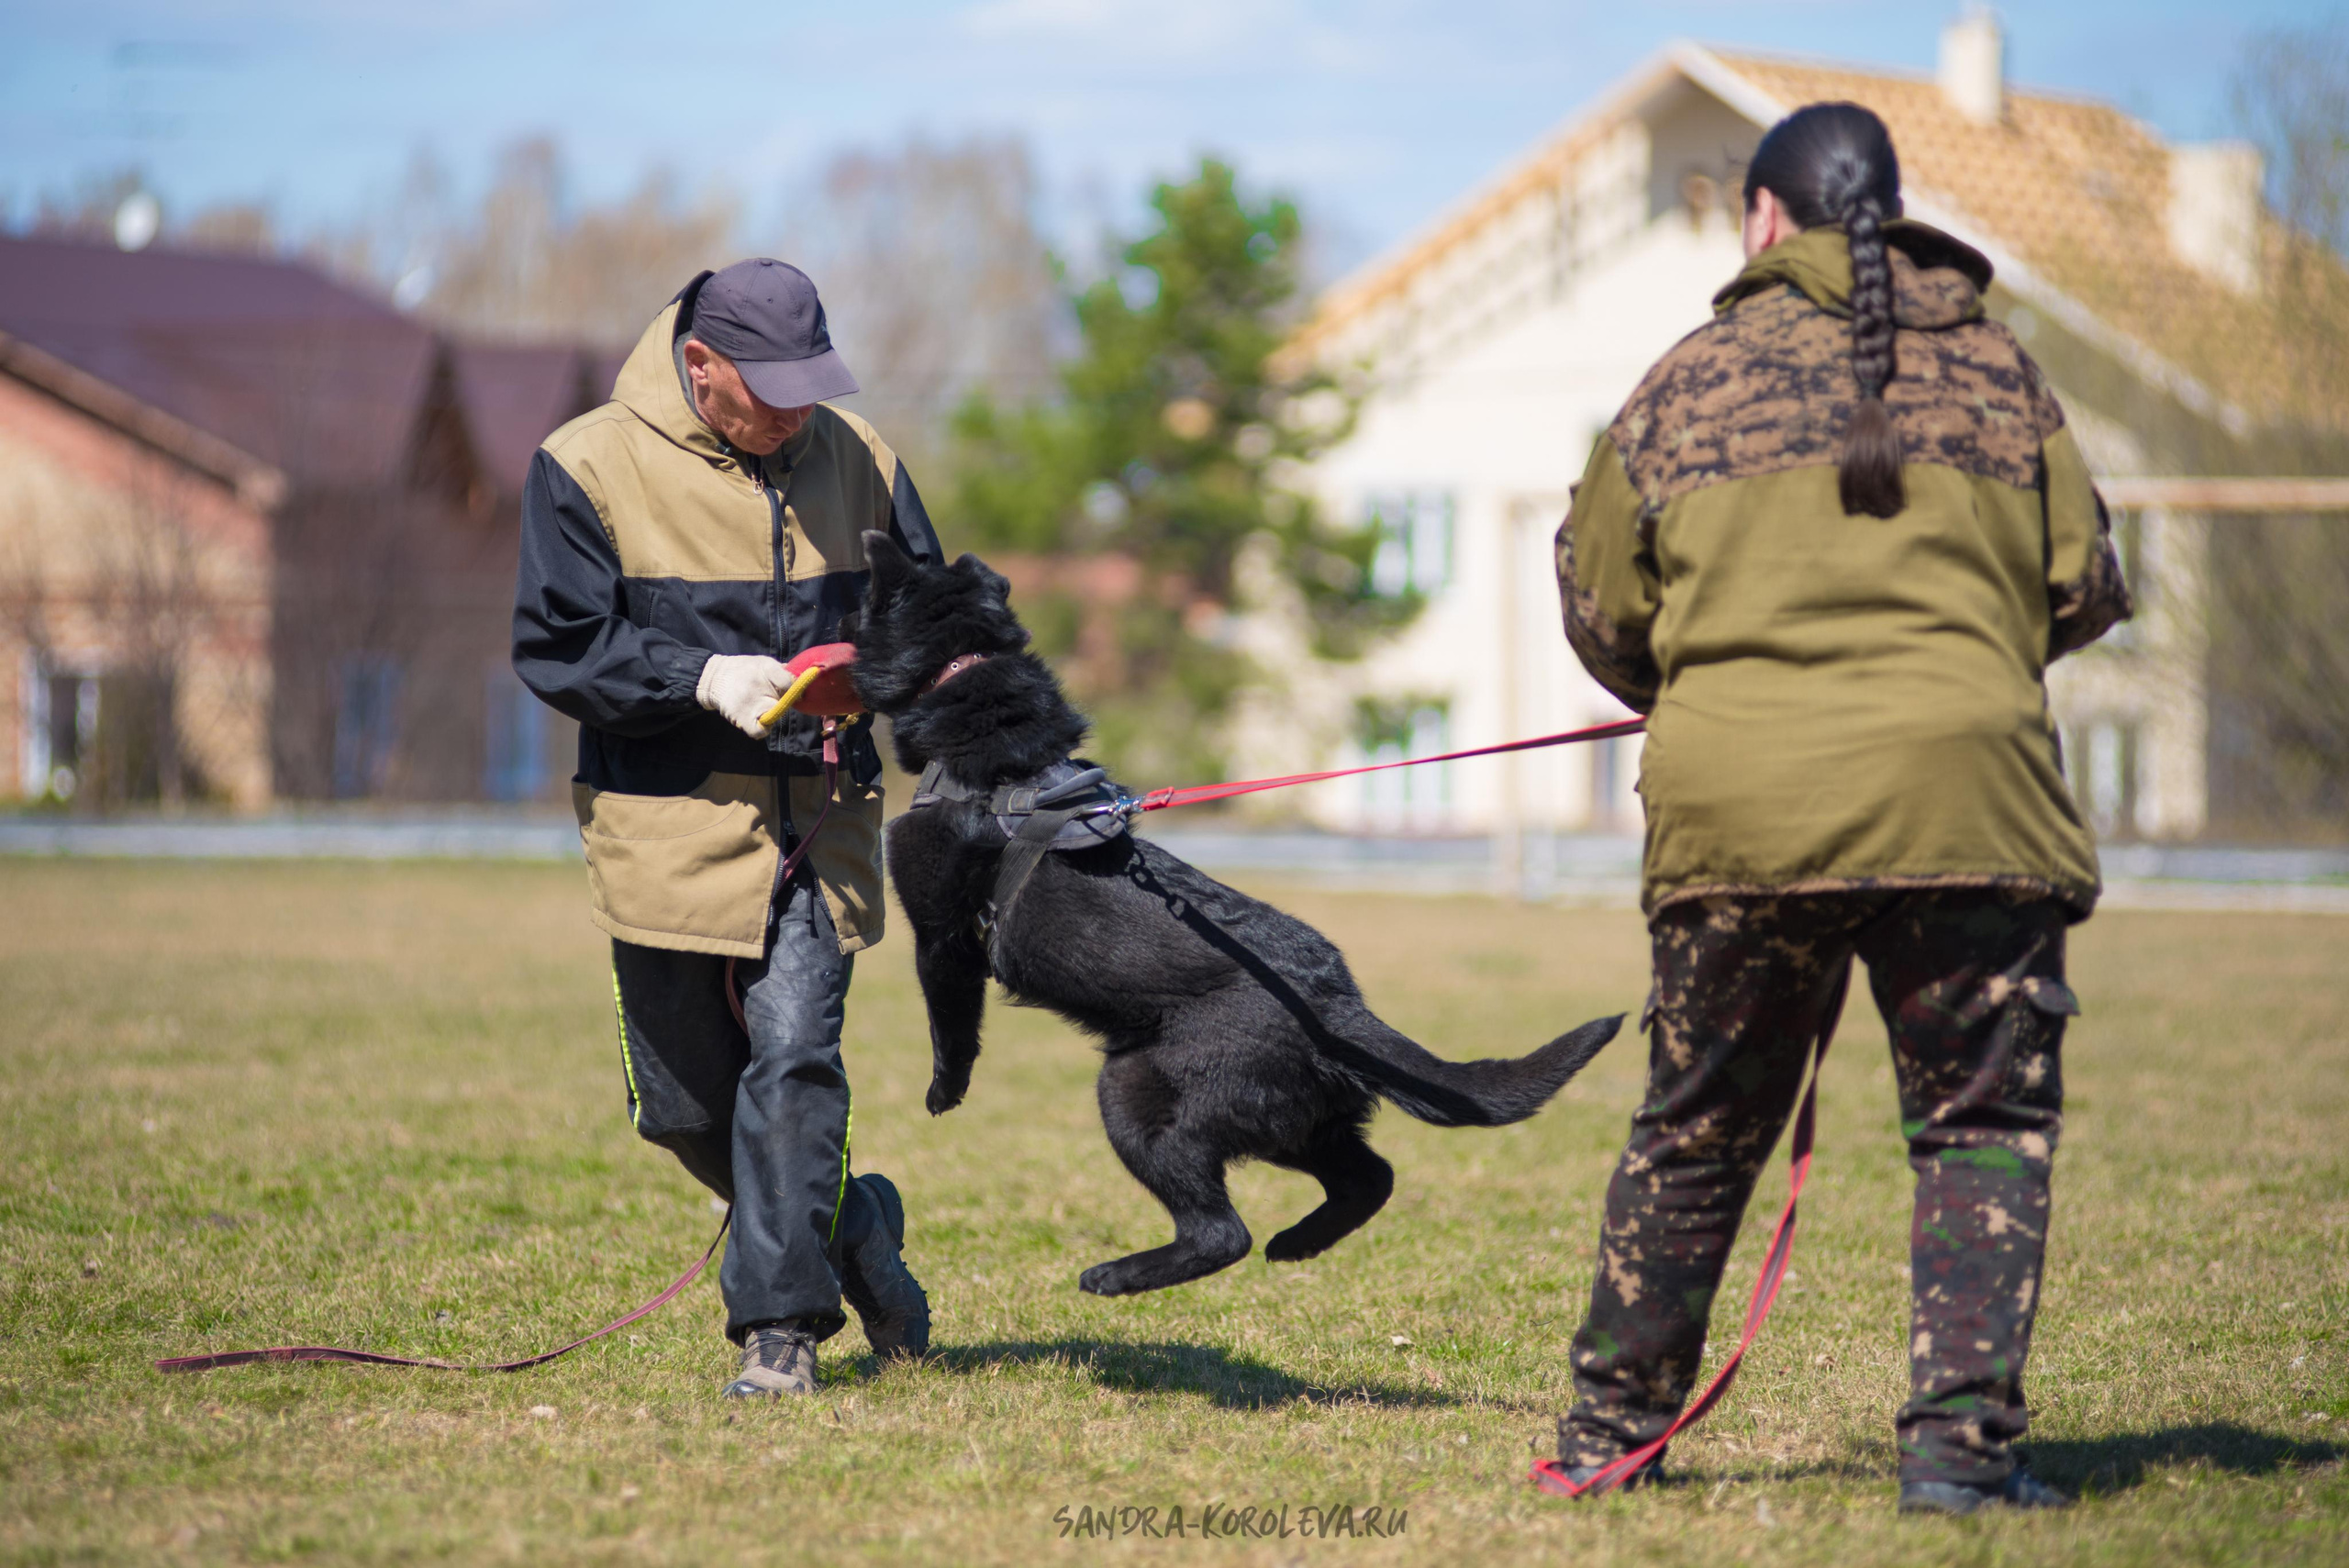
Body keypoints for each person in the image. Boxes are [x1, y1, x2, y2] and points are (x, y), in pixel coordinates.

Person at [1550, 103, 2131, 1514]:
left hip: (1741, 811)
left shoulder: (1682, 384)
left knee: (1693, 1133)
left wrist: (1693, 684)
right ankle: (1960, 1459)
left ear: (1762, 217)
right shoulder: (2006, 374)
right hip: (1974, 804)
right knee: (1980, 1131)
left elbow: (1600, 600)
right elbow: (2088, 586)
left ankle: (1608, 1443)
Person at [513, 258, 941, 1397]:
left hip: (823, 822)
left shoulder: (866, 461)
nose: (802, 410)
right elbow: (558, 648)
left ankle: (780, 1331)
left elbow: (933, 626)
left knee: (795, 1062)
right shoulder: (585, 463)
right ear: (700, 367)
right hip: (664, 833)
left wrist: (902, 685)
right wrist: (699, 677)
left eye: (815, 381)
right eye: (775, 386)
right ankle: (856, 1227)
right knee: (684, 1108)